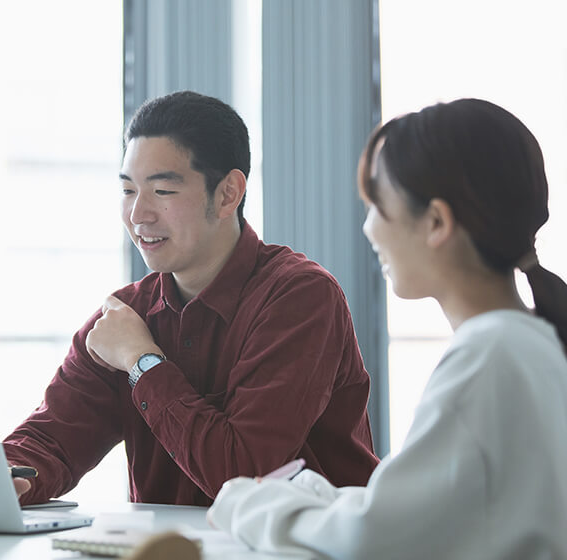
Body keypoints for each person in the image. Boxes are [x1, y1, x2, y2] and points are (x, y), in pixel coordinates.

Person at [207, 98, 567, 558]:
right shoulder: (531, 344)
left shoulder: (490, 355)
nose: (368, 228)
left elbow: (373, 537)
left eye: (377, 204)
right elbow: (420, 511)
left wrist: (246, 504)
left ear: (436, 222)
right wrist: (313, 495)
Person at [4, 90, 379, 506]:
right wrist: (2, 478)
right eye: (129, 191)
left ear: (227, 194)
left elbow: (242, 475)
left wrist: (143, 363)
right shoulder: (129, 315)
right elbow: (51, 437)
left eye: (162, 192)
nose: (138, 214)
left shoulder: (300, 297)